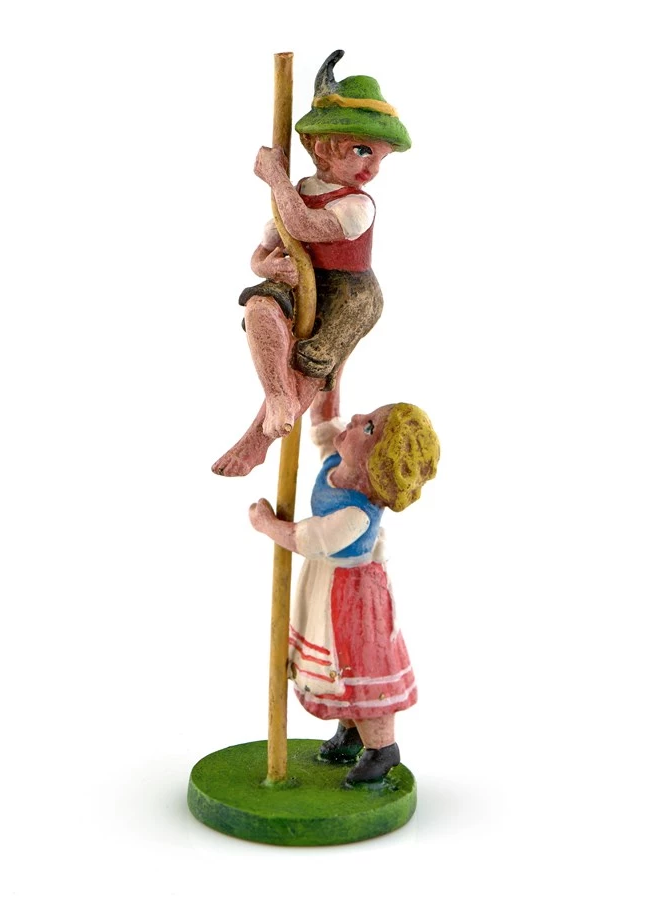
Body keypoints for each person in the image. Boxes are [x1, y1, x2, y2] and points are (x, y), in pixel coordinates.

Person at [213, 50, 412, 478]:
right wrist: (268, 270)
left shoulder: (358, 205)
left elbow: (302, 225)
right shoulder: (298, 190)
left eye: (380, 158)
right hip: (302, 279)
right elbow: (262, 251)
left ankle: (256, 443)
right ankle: (277, 397)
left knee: (310, 363)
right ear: (322, 147)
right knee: (260, 307)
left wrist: (275, 179)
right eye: (363, 151)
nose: (372, 169)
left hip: (350, 295)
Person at [249, 401, 439, 785]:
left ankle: (382, 748)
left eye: (368, 429)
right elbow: (324, 421)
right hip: (326, 584)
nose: (356, 419)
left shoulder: (357, 515)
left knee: (356, 667)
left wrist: (267, 525)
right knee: (340, 674)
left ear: (374, 468)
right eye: (367, 417)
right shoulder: (339, 464)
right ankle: (350, 734)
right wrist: (328, 380)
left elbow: (308, 539)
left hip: (353, 600)